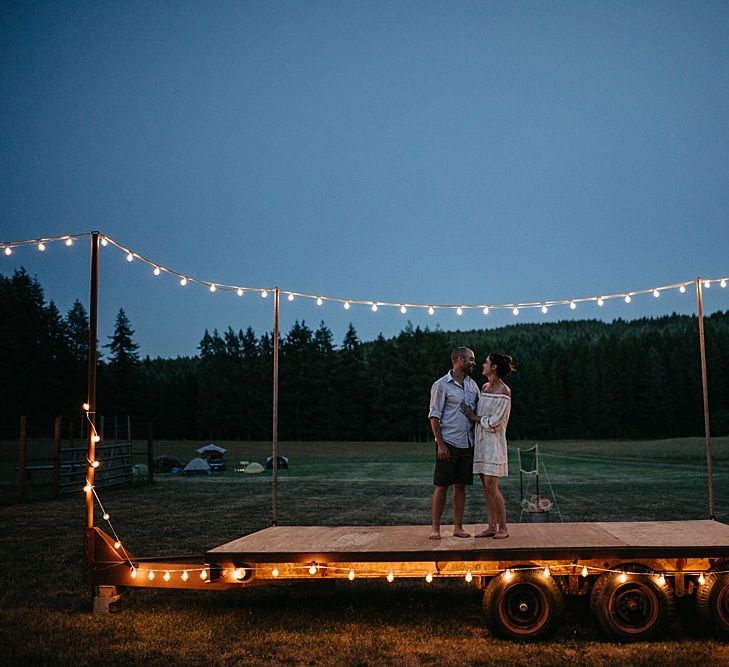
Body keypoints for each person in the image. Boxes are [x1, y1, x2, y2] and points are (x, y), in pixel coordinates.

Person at [461, 353, 516, 540]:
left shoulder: (504, 392)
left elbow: (496, 421)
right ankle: (491, 526)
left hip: (494, 445)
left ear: (493, 367)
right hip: (482, 443)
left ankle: (504, 528)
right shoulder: (484, 387)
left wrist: (475, 417)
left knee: (493, 487)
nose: (482, 365)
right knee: (486, 488)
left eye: (486, 362)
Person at [427, 347, 479, 540]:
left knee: (461, 486)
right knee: (441, 485)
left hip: (467, 443)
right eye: (471, 359)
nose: (474, 362)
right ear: (458, 359)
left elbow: (475, 413)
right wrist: (440, 444)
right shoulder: (441, 385)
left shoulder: (473, 386)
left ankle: (458, 527)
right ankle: (435, 529)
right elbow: (434, 416)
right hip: (448, 443)